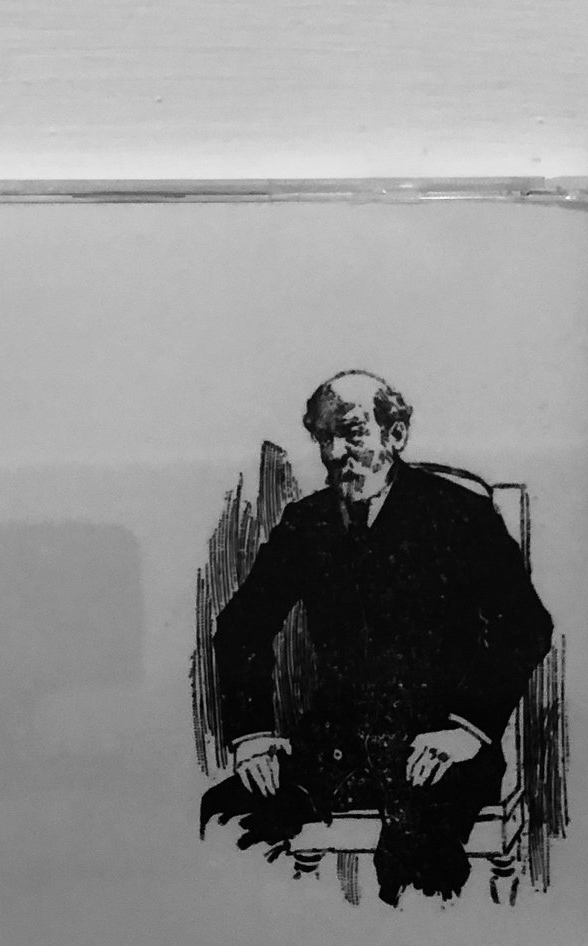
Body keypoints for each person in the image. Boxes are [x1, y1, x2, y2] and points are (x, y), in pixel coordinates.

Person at [200, 369, 553, 905]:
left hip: (439, 751)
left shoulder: (460, 515)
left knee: (419, 870)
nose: (336, 452)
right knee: (223, 817)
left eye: (352, 433)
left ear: (396, 434)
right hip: (336, 749)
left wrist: (468, 728)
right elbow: (239, 629)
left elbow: (525, 626)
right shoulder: (307, 523)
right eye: (324, 438)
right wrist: (252, 736)